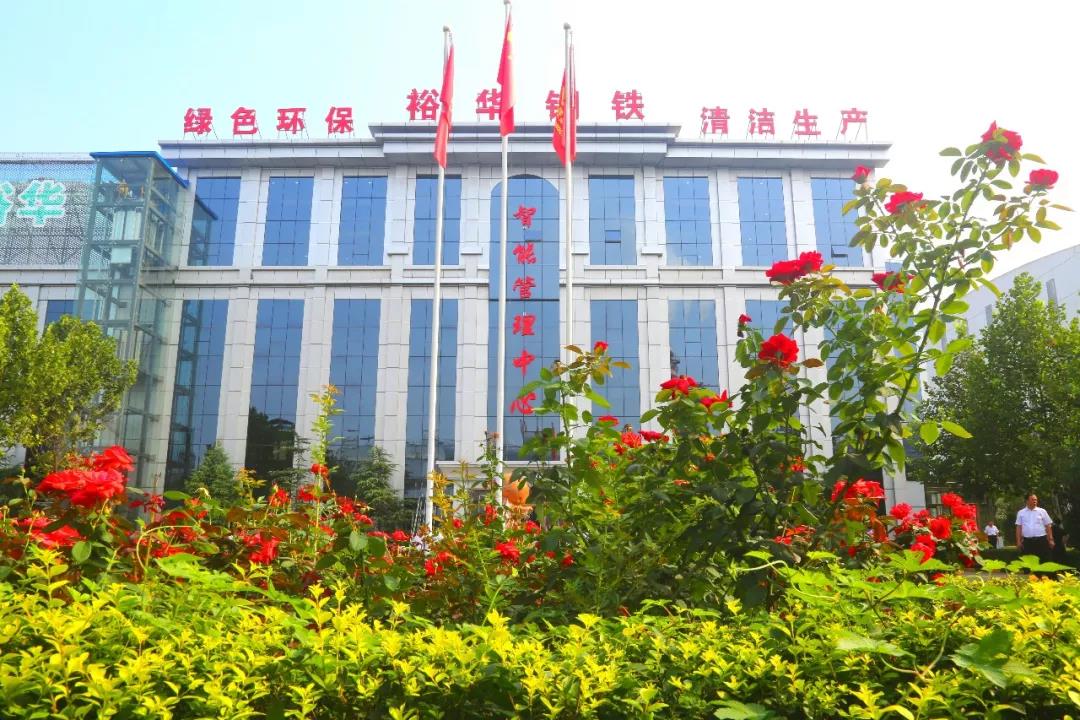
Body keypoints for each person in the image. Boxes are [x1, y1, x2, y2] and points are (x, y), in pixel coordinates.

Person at [1015, 493, 1054, 563]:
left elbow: (1048, 525)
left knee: (1043, 561)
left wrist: (1050, 539)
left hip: (1041, 540)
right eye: (1033, 499)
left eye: (1036, 500)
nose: (1035, 501)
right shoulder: (1021, 513)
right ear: (1027, 501)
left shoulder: (1042, 511)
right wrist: (1018, 541)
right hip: (1027, 541)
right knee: (1029, 562)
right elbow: (1018, 527)